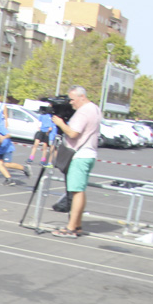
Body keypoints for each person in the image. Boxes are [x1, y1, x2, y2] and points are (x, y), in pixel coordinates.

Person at [50, 86, 101, 238]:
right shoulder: (95, 109)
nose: (70, 103)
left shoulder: (84, 111)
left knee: (76, 191)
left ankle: (71, 227)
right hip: (89, 153)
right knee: (80, 190)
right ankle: (77, 225)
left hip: (80, 154)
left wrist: (59, 123)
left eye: (72, 99)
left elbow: (73, 133)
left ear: (82, 97)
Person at [0, 112, 29, 187]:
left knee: (7, 164)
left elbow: (8, 135)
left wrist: (3, 137)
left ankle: (24, 168)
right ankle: (9, 179)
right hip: (1, 149)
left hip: (7, 148)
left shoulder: (0, 127)